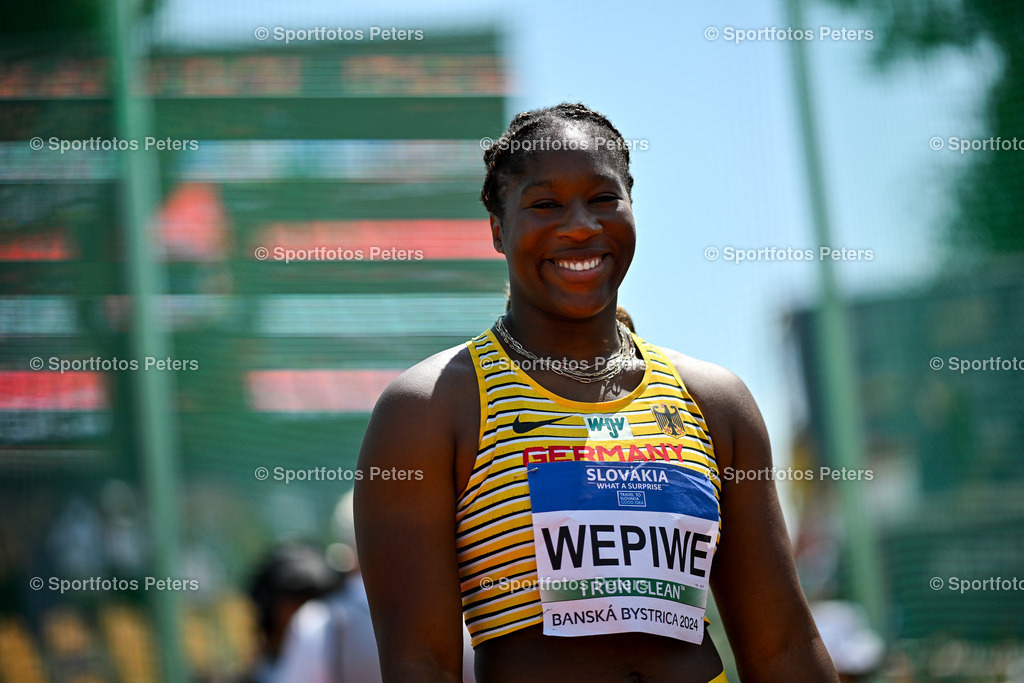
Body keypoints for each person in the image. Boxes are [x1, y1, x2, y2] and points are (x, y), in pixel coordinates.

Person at [354, 103, 838, 682]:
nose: (581, 224)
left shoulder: (714, 401)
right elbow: (420, 664)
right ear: (497, 230)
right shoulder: (430, 410)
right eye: (545, 205)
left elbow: (783, 646)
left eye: (603, 199)